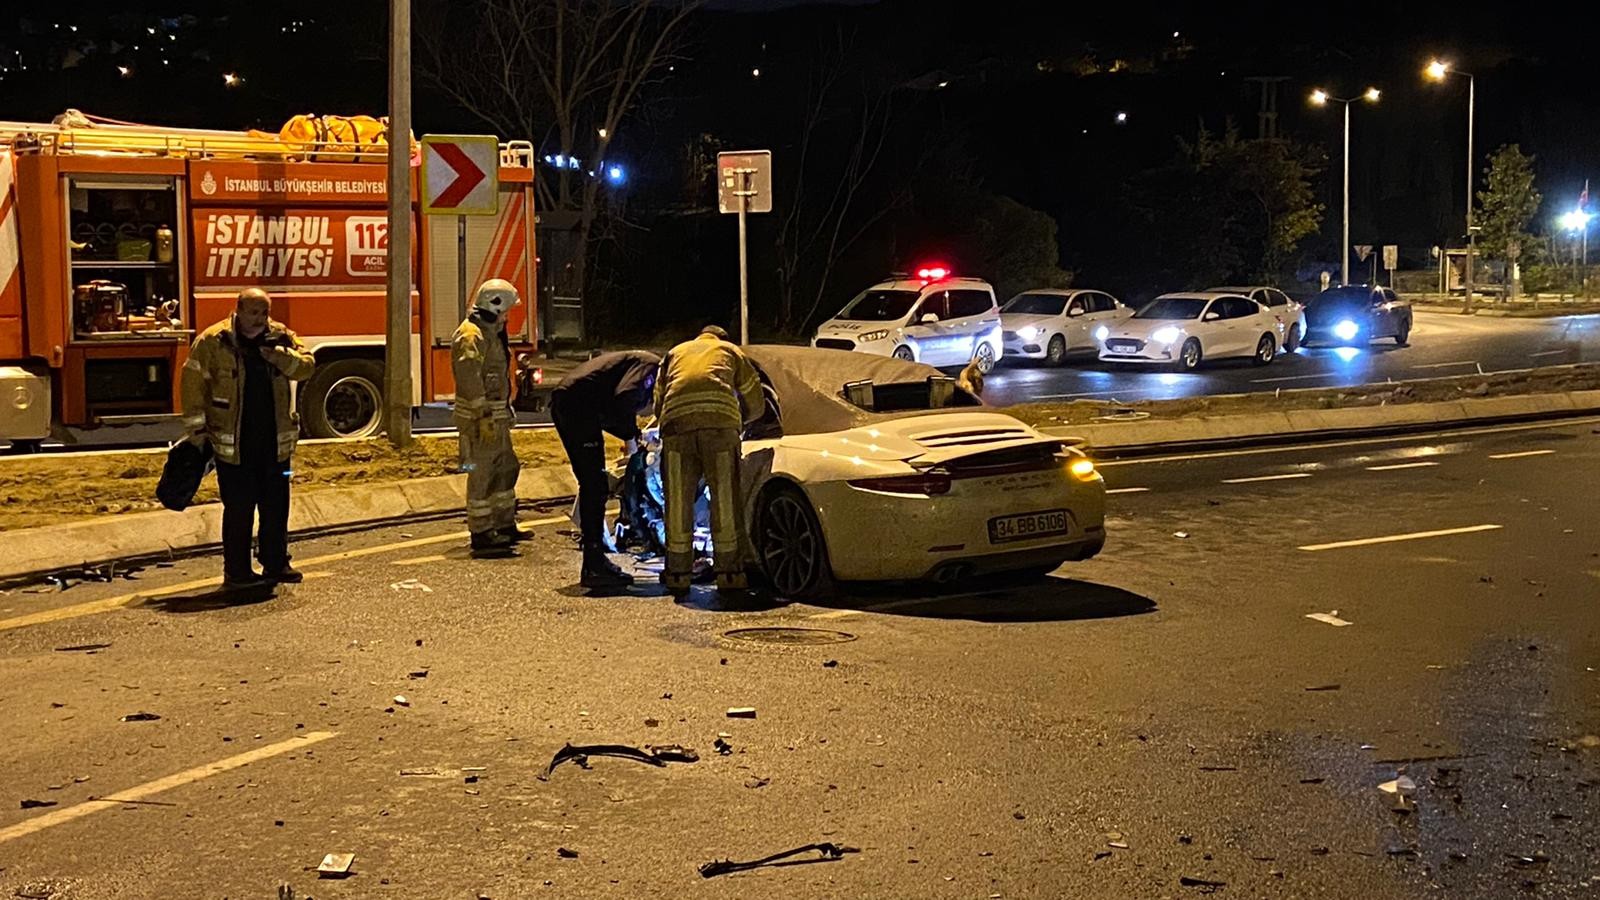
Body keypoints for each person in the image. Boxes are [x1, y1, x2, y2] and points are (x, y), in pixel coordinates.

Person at [180, 288, 316, 589]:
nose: (260, 319)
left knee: (276, 506)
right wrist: (198, 434)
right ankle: (237, 572)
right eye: (254, 312)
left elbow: (307, 367)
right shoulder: (213, 341)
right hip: (235, 448)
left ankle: (276, 563)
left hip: (275, 445)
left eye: (264, 312)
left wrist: (280, 356)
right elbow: (192, 386)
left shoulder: (281, 337)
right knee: (239, 510)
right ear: (238, 310)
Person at [653, 325, 764, 597]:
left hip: (677, 429)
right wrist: (742, 421)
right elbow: (755, 399)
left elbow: (658, 402)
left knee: (677, 502)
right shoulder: (730, 351)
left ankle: (678, 574)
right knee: (725, 499)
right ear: (722, 338)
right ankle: (729, 573)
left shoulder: (675, 353)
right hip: (719, 430)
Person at [550, 350, 663, 588]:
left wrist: (631, 434)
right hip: (578, 406)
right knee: (595, 485)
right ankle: (594, 565)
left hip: (571, 403)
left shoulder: (635, 363)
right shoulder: (651, 367)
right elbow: (624, 397)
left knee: (592, 482)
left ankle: (594, 560)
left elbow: (613, 408)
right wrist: (631, 434)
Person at [453, 279, 525, 556]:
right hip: (479, 421)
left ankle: (504, 524)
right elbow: (469, 376)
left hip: (495, 419)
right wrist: (482, 413)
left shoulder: (491, 332)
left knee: (505, 468)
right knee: (481, 474)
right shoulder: (472, 335)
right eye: (506, 310)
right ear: (494, 306)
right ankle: (481, 532)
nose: (507, 316)